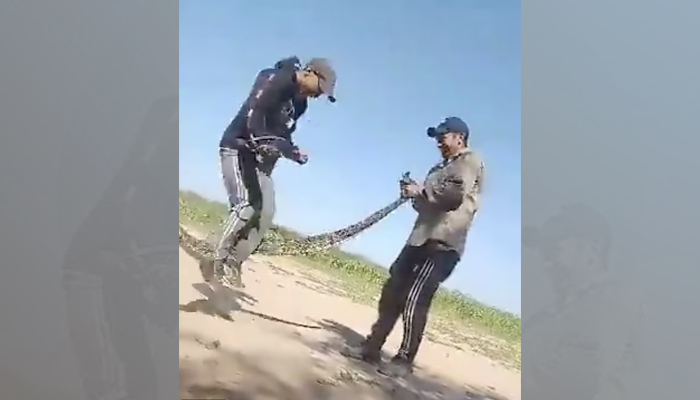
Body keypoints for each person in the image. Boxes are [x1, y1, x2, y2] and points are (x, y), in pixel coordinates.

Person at [342, 117, 485, 378]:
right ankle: (371, 348)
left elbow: (453, 196)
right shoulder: (437, 168)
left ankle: (404, 361)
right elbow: (425, 204)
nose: (439, 141)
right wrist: (411, 194)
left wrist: (422, 189)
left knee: (415, 297)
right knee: (392, 293)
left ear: (459, 138)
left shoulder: (469, 160)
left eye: (444, 136)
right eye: (437, 137)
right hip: (419, 239)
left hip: (444, 243)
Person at [200, 56, 338, 288]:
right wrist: (262, 141)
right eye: (320, 89)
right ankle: (213, 258)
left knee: (266, 213)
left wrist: (292, 152)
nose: (319, 95)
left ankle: (233, 262)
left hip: (262, 161)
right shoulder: (274, 78)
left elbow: (282, 134)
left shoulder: (301, 104)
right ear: (310, 73)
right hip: (239, 147)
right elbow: (254, 116)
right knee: (245, 207)